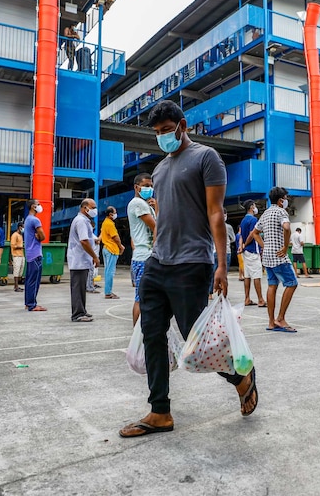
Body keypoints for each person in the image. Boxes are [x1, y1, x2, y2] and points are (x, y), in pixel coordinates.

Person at [119, 100, 257, 438]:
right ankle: (160, 411)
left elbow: (215, 214)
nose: (162, 137)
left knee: (199, 343)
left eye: (166, 130)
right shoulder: (162, 169)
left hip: (192, 262)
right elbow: (165, 216)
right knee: (151, 333)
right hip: (157, 262)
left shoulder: (207, 158)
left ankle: (242, 377)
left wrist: (223, 265)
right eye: (157, 133)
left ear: (183, 125)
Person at [251, 187, 297, 332]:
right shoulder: (281, 211)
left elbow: (255, 233)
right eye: (286, 198)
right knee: (292, 283)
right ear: (280, 200)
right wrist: (285, 247)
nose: (287, 200)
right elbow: (287, 227)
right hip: (279, 256)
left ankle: (271, 322)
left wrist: (265, 246)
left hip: (267, 256)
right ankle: (281, 318)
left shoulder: (265, 214)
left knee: (272, 285)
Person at [127, 173, 157, 324]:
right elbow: (156, 227)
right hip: (144, 257)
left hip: (148, 256)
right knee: (141, 299)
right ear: (136, 187)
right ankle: (136, 338)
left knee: (148, 298)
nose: (149, 189)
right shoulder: (137, 204)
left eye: (151, 186)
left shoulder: (147, 205)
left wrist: (156, 207)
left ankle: (143, 337)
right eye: (146, 186)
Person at [67, 198, 98, 323]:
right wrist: (95, 256)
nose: (95, 210)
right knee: (77, 287)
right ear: (85, 208)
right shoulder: (81, 221)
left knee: (81, 287)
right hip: (78, 259)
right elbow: (84, 241)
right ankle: (77, 314)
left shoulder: (84, 220)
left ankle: (82, 310)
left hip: (82, 259)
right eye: (93, 207)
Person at [23, 200, 48, 312]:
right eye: (38, 204)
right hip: (35, 254)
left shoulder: (27, 220)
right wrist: (39, 236)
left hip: (29, 254)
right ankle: (32, 304)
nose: (39, 206)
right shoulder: (35, 220)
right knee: (35, 281)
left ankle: (28, 303)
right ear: (33, 206)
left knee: (29, 280)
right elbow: (43, 236)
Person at [239, 200, 265, 306]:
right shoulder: (253, 219)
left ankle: (247, 299)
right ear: (251, 207)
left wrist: (241, 246)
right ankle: (260, 300)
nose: (255, 207)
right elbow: (252, 234)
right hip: (253, 250)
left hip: (246, 252)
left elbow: (241, 235)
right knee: (256, 275)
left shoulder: (243, 220)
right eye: (254, 205)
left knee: (247, 276)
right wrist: (245, 244)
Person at [100, 206, 125, 299]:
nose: (115, 214)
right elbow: (115, 237)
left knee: (107, 271)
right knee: (110, 272)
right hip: (111, 249)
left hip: (106, 248)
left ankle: (108, 291)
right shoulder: (110, 224)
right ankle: (108, 292)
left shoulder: (105, 223)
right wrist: (121, 246)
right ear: (110, 214)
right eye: (115, 212)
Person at [10, 222, 25, 292]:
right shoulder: (14, 235)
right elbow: (13, 245)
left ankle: (17, 286)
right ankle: (16, 286)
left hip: (21, 255)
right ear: (20, 227)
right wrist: (21, 247)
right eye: (23, 227)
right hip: (16, 255)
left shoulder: (20, 235)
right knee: (16, 271)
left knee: (20, 271)